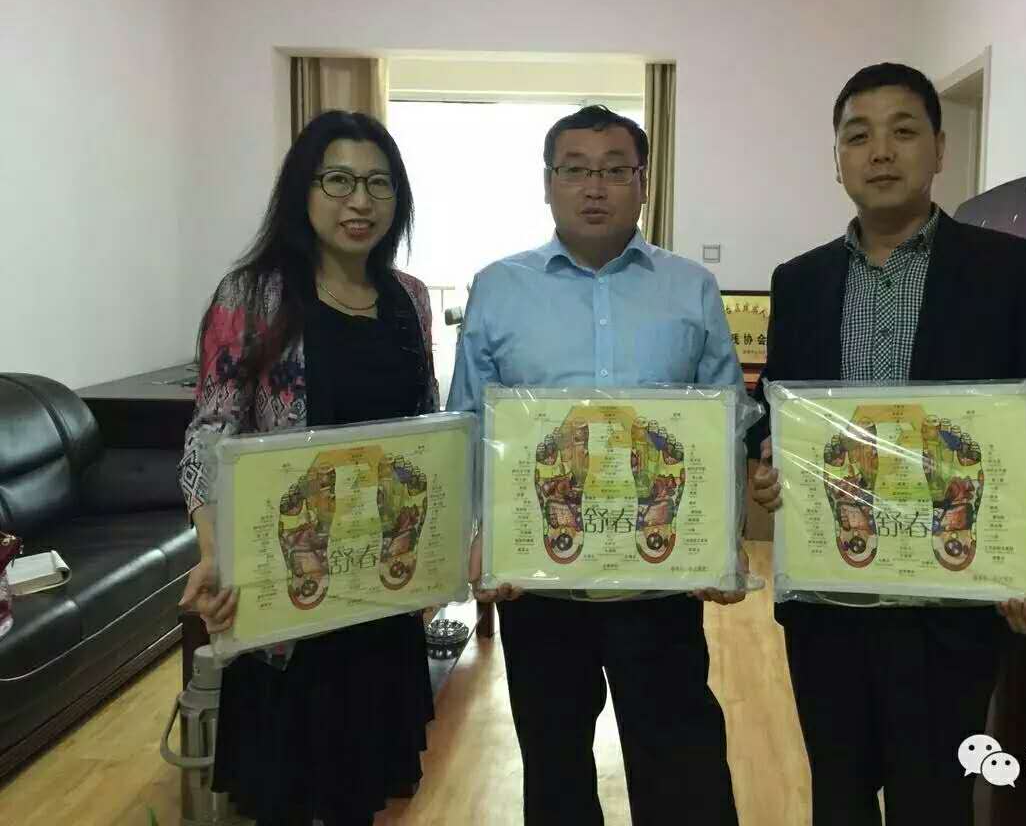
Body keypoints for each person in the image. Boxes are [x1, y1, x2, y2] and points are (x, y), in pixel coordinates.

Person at [747, 64, 1026, 826]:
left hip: (952, 602)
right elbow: (781, 410)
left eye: (902, 131)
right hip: (831, 596)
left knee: (934, 802)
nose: (880, 151)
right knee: (837, 797)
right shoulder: (799, 281)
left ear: (939, 147)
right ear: (836, 158)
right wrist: (768, 461)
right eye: (857, 136)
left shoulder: (1011, 272)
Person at [447, 105, 743, 826]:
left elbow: (724, 419)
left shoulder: (690, 287)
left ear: (643, 183)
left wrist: (724, 537)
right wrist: (479, 534)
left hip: (660, 577)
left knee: (683, 769)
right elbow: (470, 424)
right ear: (547, 183)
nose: (595, 186)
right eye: (575, 169)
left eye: (615, 170)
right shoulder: (498, 286)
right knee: (555, 771)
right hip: (539, 581)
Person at [177, 110, 440, 826]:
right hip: (288, 597)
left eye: (379, 184)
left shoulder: (409, 300)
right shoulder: (252, 296)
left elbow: (424, 432)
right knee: (287, 797)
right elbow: (210, 436)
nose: (360, 201)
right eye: (339, 181)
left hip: (379, 596)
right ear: (303, 189)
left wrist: (434, 556)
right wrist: (215, 551)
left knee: (360, 796)